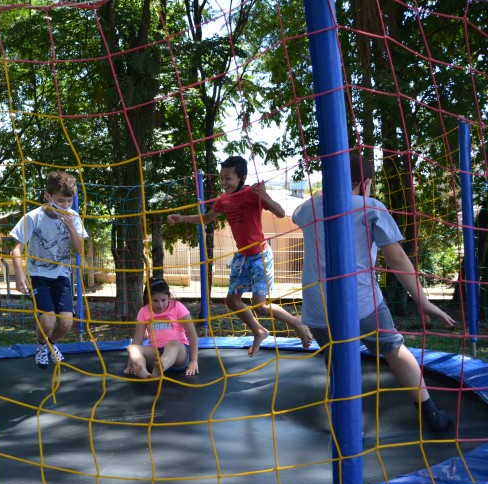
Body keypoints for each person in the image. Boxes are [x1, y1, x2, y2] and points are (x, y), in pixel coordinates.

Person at [292, 154, 455, 432]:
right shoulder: (371, 207)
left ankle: (344, 428)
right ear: (365, 183)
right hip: (362, 304)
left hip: (318, 311)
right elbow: (397, 259)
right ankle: (431, 414)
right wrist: (423, 301)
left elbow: (304, 208)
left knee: (338, 364)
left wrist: (320, 194)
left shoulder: (309, 209)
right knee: (393, 348)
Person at [168, 156, 312, 356]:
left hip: (260, 255)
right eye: (221, 178)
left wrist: (265, 197)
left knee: (260, 305)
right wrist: (181, 218)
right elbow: (207, 218)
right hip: (242, 257)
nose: (223, 182)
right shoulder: (224, 199)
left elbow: (280, 213)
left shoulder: (252, 193)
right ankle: (259, 331)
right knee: (231, 301)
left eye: (228, 178)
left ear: (241, 178)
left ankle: (297, 322)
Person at [10, 171, 89, 369]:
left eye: (69, 201)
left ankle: (50, 344)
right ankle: (40, 346)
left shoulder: (74, 217)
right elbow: (16, 249)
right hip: (38, 274)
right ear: (48, 196)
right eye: (61, 201)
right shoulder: (33, 217)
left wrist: (71, 228)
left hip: (61, 274)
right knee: (47, 320)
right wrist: (20, 274)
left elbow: (79, 249)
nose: (65, 205)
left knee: (66, 323)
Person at [124, 278, 199, 378]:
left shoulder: (177, 307)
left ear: (168, 297)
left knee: (173, 344)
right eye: (155, 301)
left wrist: (194, 360)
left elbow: (192, 334)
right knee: (132, 348)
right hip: (156, 354)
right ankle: (143, 371)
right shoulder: (144, 311)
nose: (160, 305)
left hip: (178, 354)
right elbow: (137, 339)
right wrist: (130, 363)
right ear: (148, 298)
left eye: (163, 300)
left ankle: (160, 367)